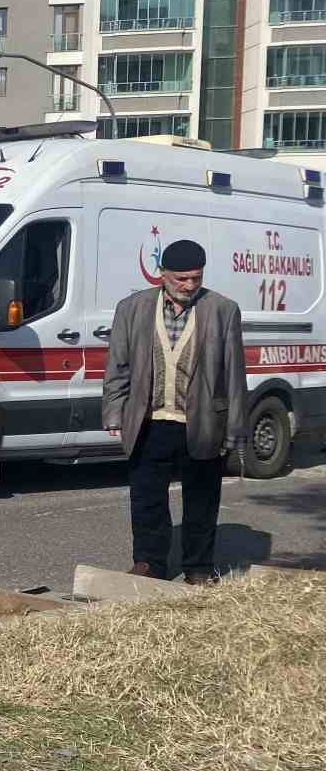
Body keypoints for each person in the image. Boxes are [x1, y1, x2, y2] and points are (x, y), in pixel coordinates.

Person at [102, 240, 246, 586]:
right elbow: (117, 365)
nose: (189, 286)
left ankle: (198, 567)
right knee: (146, 498)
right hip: (149, 422)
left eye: (195, 278)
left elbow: (234, 373)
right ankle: (150, 564)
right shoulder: (132, 308)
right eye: (181, 278)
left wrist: (234, 428)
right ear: (162, 274)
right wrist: (113, 413)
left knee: (202, 497)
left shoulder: (222, 309)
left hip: (202, 422)